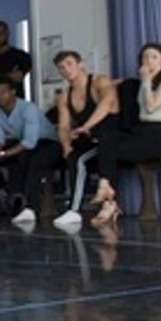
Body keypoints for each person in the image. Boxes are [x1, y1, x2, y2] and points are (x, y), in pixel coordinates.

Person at [90, 42, 161, 227]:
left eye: (154, 57)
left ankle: (108, 200)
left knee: (109, 152)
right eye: (145, 57)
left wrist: (146, 80)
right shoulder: (140, 84)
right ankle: (107, 192)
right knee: (107, 137)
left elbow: (151, 106)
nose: (148, 61)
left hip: (160, 135)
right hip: (141, 132)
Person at [50, 51, 117, 231]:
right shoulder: (65, 96)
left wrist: (86, 125)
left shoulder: (99, 82)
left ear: (80, 65)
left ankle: (76, 209)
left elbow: (107, 103)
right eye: (61, 67)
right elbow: (63, 126)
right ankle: (78, 209)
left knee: (83, 156)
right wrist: (65, 145)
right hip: (91, 137)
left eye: (69, 64)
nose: (66, 69)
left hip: (112, 136)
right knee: (73, 155)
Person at [0, 79, 61, 228]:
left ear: (13, 92)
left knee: (31, 158)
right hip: (22, 142)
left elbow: (29, 142)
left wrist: (1, 155)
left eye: (3, 92)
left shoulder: (28, 108)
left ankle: (31, 207)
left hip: (47, 142)